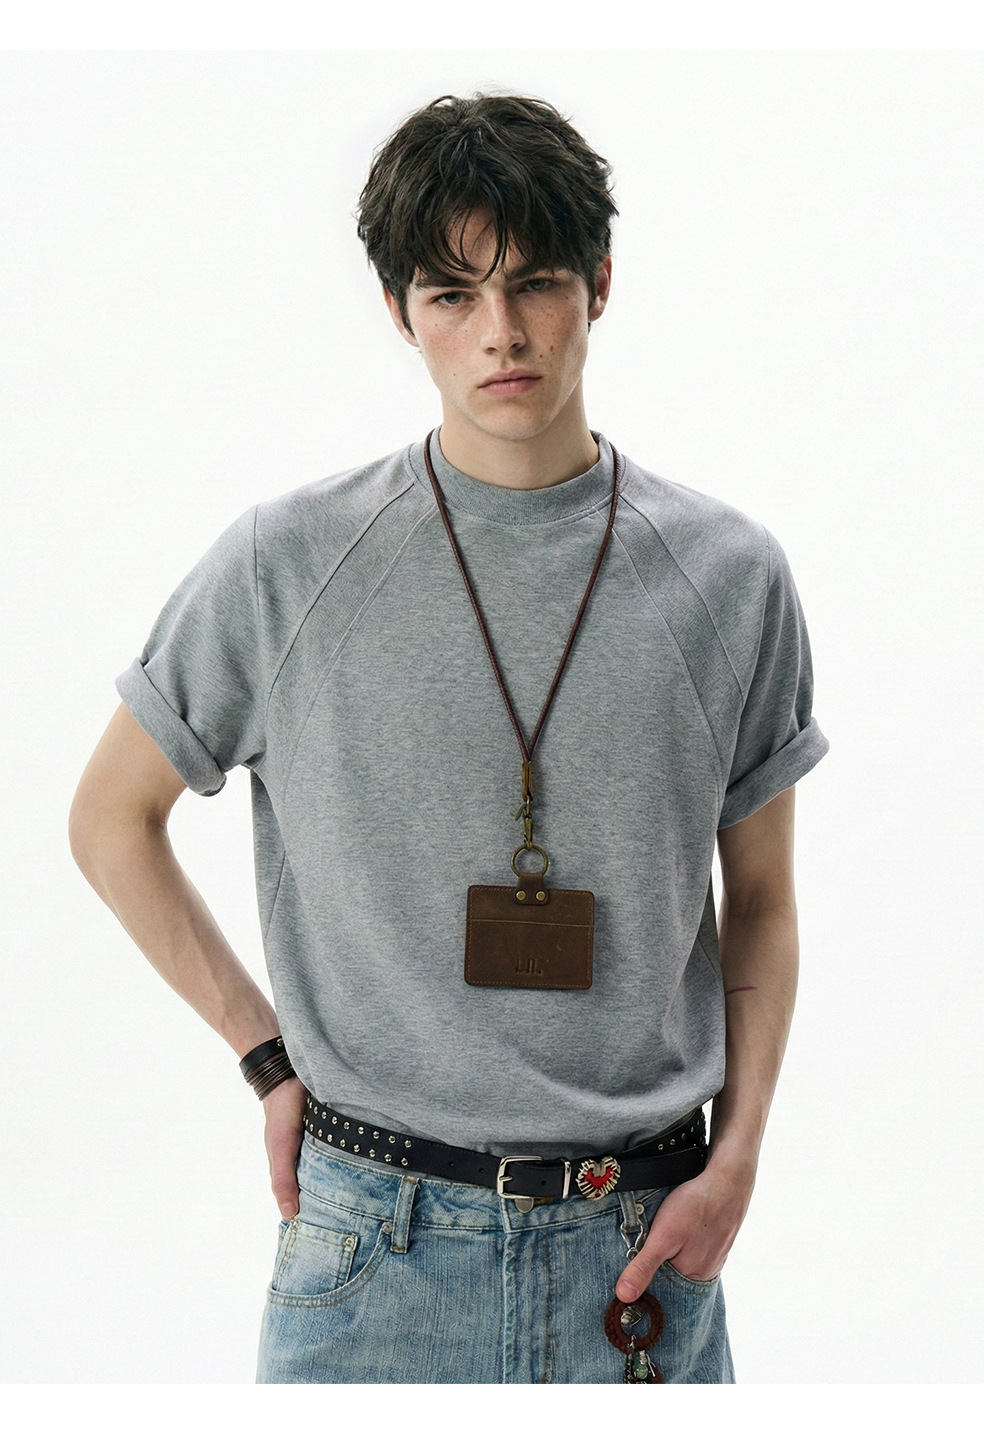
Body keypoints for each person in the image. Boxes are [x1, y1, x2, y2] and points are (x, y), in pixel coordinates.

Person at [69, 92, 828, 1384]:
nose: (502, 333)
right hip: (375, 1251)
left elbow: (760, 898)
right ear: (398, 312)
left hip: (641, 1254)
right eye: (453, 295)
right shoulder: (288, 564)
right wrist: (264, 1054)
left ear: (600, 282)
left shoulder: (730, 577)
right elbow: (108, 818)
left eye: (536, 284)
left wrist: (741, 1153)